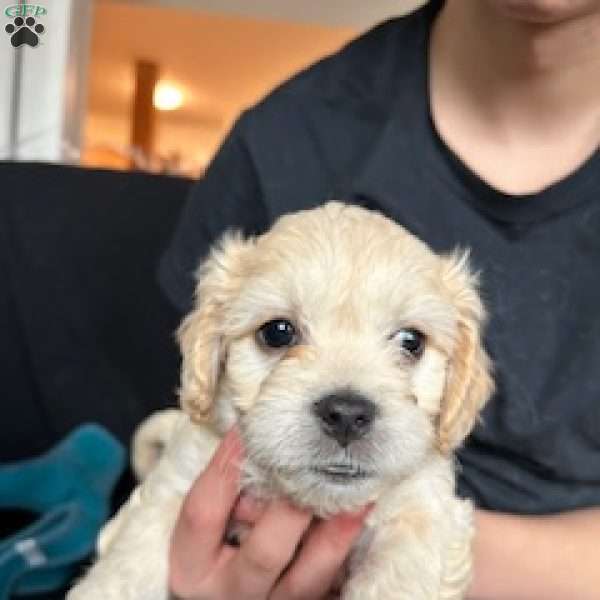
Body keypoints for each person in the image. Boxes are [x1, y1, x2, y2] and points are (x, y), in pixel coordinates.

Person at [159, 1, 600, 598]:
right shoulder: (281, 140)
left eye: (409, 344)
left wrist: (403, 547)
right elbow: (193, 447)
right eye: (281, 335)